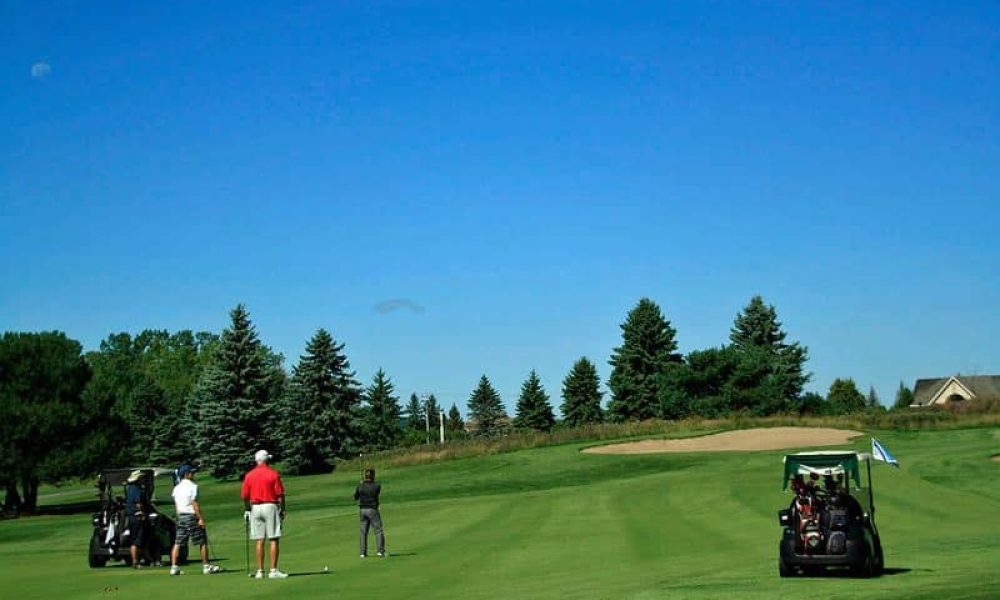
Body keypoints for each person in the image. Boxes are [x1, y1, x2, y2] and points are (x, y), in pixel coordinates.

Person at [241, 450, 288, 579]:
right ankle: (273, 571)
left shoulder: (249, 475)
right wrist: (283, 509)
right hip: (270, 506)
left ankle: (260, 571)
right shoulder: (273, 474)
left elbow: (244, 496)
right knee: (273, 538)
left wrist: (247, 509)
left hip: (255, 507)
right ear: (267, 460)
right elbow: (280, 494)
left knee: (259, 539)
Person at [169, 464, 221, 575]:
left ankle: (174, 567)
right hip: (191, 516)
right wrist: (200, 519)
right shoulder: (193, 486)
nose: (193, 474)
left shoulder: (176, 488)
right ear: (186, 474)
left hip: (181, 516)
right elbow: (194, 504)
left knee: (178, 542)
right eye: (191, 473)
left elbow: (177, 505)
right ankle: (206, 566)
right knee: (202, 541)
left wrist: (179, 517)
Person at [124, 470, 154, 568]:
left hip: (131, 516)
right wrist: (142, 512)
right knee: (137, 540)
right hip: (137, 517)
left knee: (138, 539)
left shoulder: (129, 489)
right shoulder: (136, 489)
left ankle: (148, 559)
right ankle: (135, 561)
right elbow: (138, 503)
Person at [354, 468, 386, 558]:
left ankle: (362, 553)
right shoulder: (376, 486)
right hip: (372, 509)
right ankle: (380, 551)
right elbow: (376, 492)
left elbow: (355, 497)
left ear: (365, 476)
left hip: (362, 510)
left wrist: (361, 485)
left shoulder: (360, 486)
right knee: (378, 530)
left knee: (363, 532)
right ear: (373, 476)